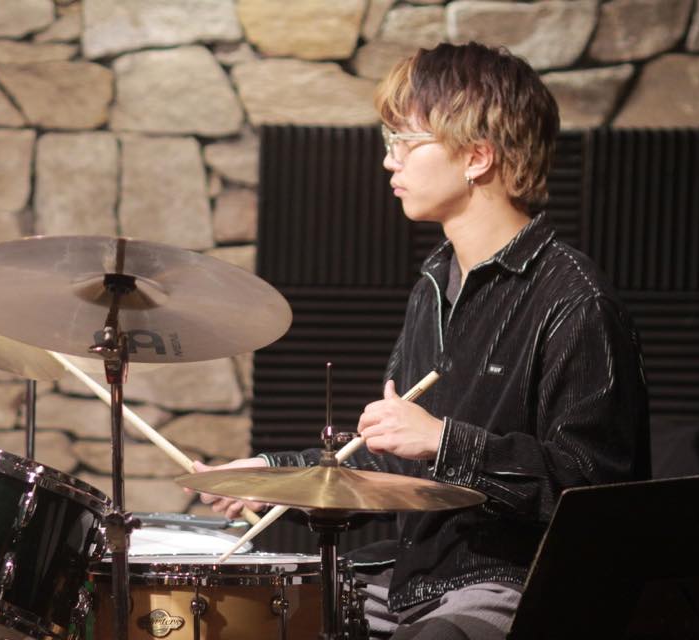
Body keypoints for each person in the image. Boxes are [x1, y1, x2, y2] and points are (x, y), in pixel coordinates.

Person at [190, 42, 650, 639]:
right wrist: (274, 474)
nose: (390, 160)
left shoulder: (575, 299)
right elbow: (394, 459)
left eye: (405, 140)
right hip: (413, 579)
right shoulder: (434, 284)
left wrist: (444, 440)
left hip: (513, 582)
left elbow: (595, 493)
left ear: (477, 156)